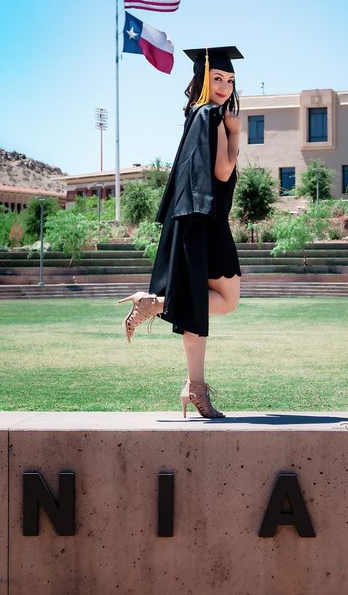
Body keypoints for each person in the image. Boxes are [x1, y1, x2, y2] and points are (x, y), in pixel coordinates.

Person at [117, 46, 243, 418]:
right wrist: (235, 133)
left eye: (230, 80)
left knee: (197, 304)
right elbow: (222, 172)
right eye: (217, 78)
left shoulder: (194, 114)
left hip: (191, 220)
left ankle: (195, 386)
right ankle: (157, 304)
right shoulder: (212, 115)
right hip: (206, 222)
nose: (224, 86)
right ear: (203, 79)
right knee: (227, 299)